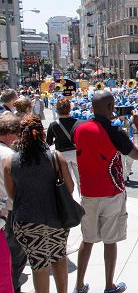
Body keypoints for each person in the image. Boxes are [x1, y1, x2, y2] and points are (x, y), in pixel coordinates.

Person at [72, 91, 138, 293]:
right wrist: (135, 127)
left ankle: (78, 285)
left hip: (88, 193)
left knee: (88, 239)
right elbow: (136, 154)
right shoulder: (114, 130)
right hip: (112, 193)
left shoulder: (79, 128)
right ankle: (109, 285)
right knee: (110, 241)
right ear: (111, 107)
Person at [4, 115, 74, 293]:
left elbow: (12, 195)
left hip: (26, 221)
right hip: (57, 217)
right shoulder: (56, 157)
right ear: (42, 133)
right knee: (59, 257)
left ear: (21, 135)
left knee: (38, 263)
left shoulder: (10, 162)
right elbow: (70, 188)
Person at [0, 114, 23, 293]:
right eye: (17, 133)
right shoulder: (10, 155)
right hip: (8, 211)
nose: (18, 137)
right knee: (15, 255)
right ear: (9, 134)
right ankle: (14, 287)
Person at [46, 98, 83, 192]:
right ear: (69, 109)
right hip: (76, 152)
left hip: (62, 155)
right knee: (81, 181)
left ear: (57, 110)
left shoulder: (53, 125)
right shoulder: (77, 122)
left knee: (66, 182)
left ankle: (69, 203)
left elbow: (48, 142)